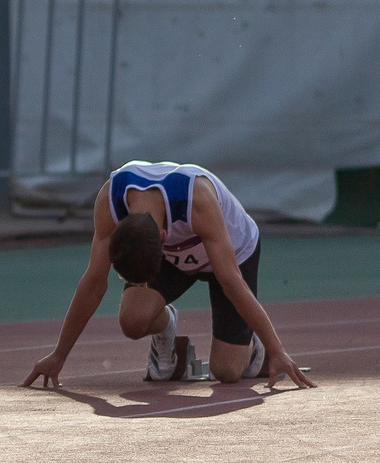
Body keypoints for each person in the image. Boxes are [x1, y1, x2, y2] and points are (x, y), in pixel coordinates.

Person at [22, 159, 314, 391]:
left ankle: (254, 350)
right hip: (175, 256)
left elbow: (231, 283)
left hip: (230, 255)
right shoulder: (110, 201)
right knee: (132, 320)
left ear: (164, 238)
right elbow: (94, 283)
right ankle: (167, 330)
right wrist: (58, 355)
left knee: (226, 372)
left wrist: (278, 349)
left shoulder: (196, 199)